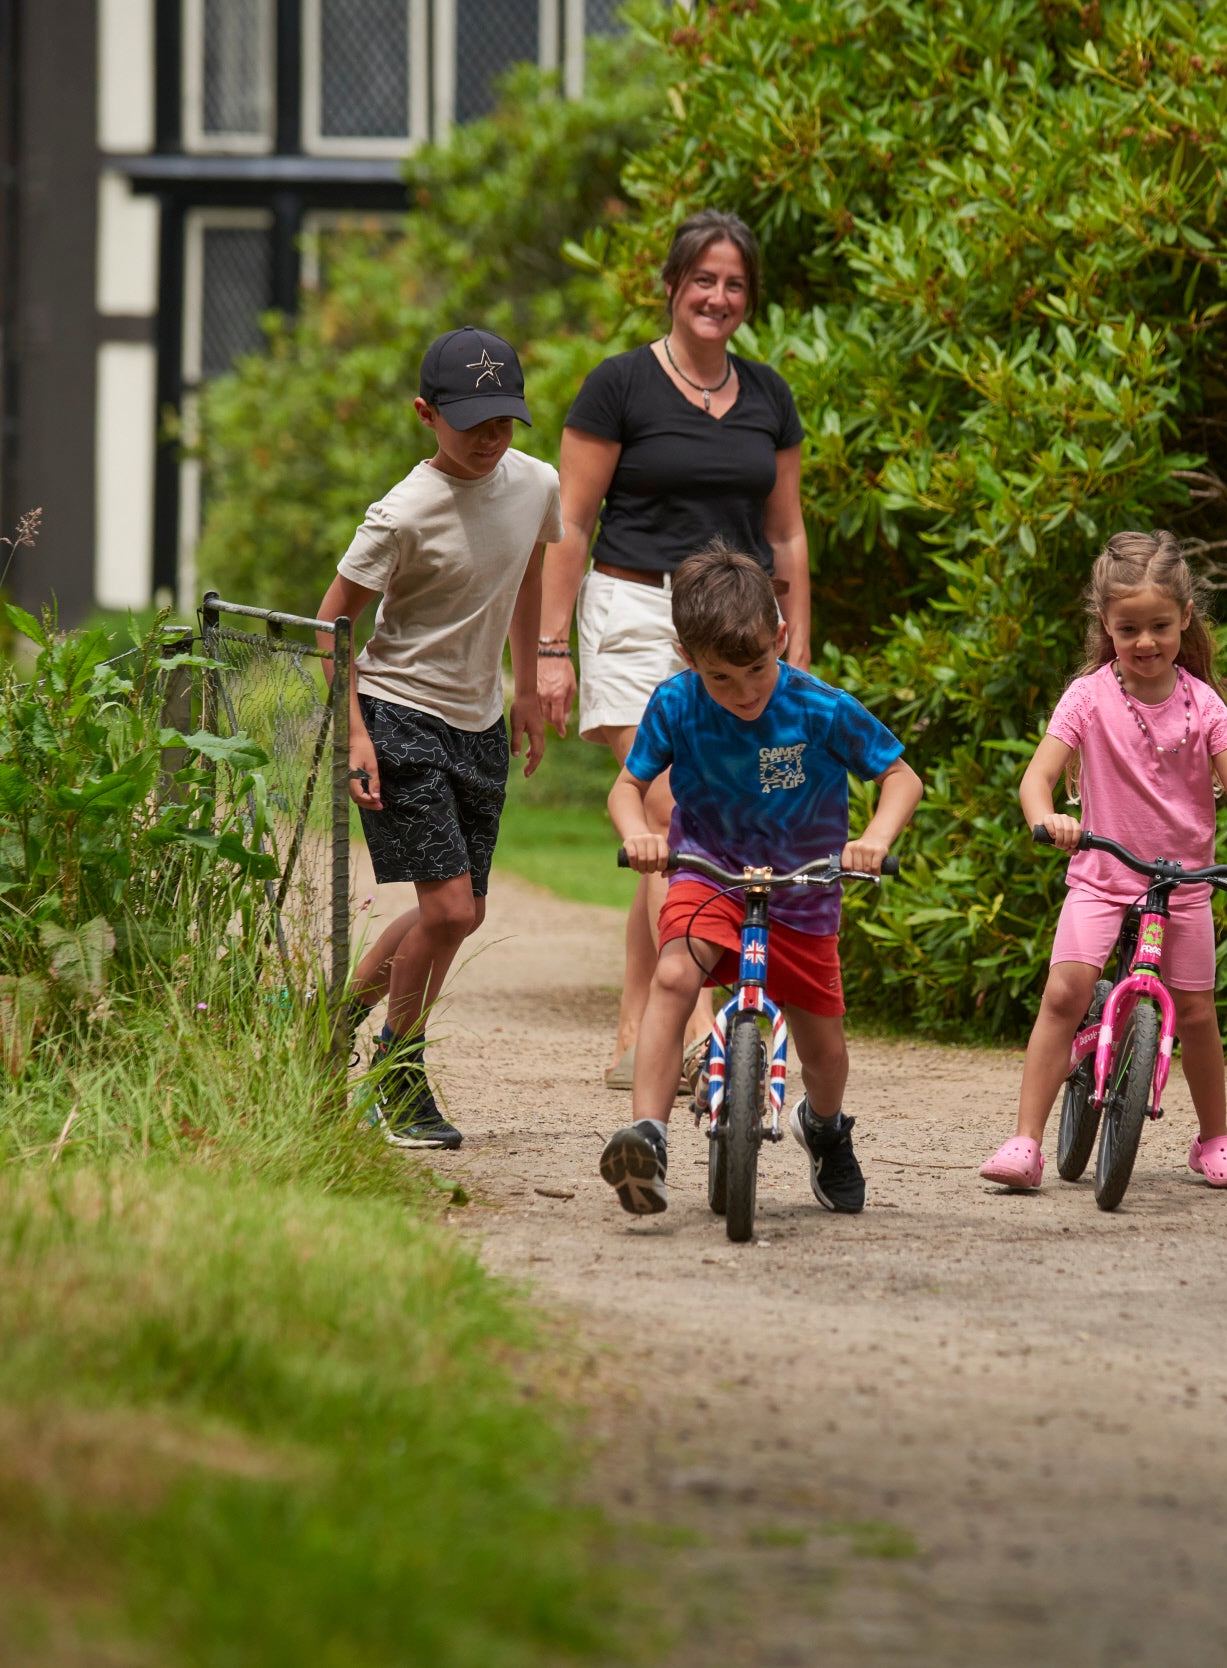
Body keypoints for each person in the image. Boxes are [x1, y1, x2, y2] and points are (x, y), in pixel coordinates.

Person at [534, 210, 812, 1089]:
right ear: (671, 286)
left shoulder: (769, 396)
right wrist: (549, 647)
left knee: (683, 828)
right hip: (634, 612)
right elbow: (569, 523)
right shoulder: (618, 387)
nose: (718, 297)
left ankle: (631, 1035)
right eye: (704, 280)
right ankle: (697, 1025)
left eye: (734, 284)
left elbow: (788, 533)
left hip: (736, 628)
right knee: (666, 812)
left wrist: (793, 641)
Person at [596, 545, 923, 1218]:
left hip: (804, 890)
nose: (743, 692)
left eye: (755, 669)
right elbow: (627, 788)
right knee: (674, 977)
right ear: (687, 655)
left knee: (825, 1053)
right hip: (709, 873)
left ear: (779, 638)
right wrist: (638, 833)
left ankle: (826, 1130)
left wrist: (873, 840)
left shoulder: (819, 707)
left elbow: (901, 777)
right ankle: (648, 1136)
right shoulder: (677, 703)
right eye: (721, 677)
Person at [979, 533, 1227, 1193]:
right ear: (1106, 626)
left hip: (1182, 882)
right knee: (1065, 991)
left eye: (1159, 625)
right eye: (1128, 628)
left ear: (1185, 617)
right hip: (1102, 872)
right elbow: (1036, 780)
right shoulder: (1088, 697)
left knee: (1199, 1011)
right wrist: (1049, 819)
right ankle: (1026, 1142)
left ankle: (1214, 1138)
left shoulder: (1203, 705)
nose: (1145, 641)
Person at [315, 325, 562, 1150]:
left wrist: (527, 686)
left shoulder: (535, 485)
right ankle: (398, 1069)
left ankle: (332, 1024)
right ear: (426, 414)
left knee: (461, 912)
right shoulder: (401, 513)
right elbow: (329, 626)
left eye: (503, 422)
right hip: (397, 712)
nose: (491, 439)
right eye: (471, 424)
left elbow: (528, 573)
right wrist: (353, 730)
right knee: (449, 908)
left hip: (478, 720)